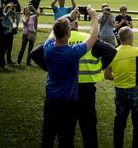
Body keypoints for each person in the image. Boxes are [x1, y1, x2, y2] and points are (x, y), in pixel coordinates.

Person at [31, 8, 117, 148]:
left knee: (48, 134)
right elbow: (93, 37)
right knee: (68, 136)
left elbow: (51, 34)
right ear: (68, 33)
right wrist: (94, 18)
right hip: (69, 100)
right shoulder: (73, 53)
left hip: (51, 99)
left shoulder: (48, 47)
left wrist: (69, 17)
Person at [104, 26, 138, 148]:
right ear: (131, 37)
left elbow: (107, 75)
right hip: (135, 91)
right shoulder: (137, 51)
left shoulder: (113, 52)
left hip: (119, 91)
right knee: (137, 124)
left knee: (119, 122)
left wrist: (117, 76)